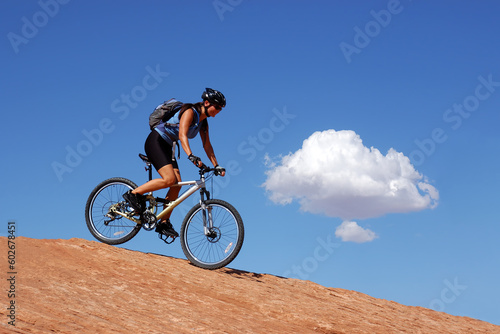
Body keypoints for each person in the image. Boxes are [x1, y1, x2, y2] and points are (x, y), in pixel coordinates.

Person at [123, 88, 227, 238]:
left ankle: (164, 222)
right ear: (206, 103)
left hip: (168, 146)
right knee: (169, 179)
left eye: (220, 109)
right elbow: (182, 134)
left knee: (176, 184)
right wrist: (190, 155)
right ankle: (133, 194)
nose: (218, 111)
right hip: (156, 141)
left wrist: (217, 165)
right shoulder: (190, 112)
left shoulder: (203, 123)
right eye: (217, 107)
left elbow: (207, 146)